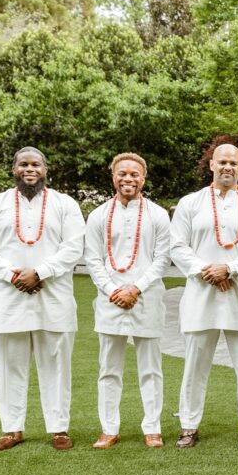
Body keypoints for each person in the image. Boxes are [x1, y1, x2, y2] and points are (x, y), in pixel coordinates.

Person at [0, 147, 85, 451]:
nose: (30, 169)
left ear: (46, 170)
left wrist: (41, 272)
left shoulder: (64, 204)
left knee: (56, 365)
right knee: (10, 366)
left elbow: (74, 247)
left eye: (36, 164)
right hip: (8, 298)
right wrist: (14, 275)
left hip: (54, 297)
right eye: (24, 164)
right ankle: (12, 428)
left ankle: (59, 428)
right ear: (14, 170)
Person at [170, 143, 238, 448]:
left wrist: (231, 269)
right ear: (211, 164)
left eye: (233, 163)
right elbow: (177, 247)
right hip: (202, 296)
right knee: (195, 364)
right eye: (222, 161)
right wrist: (207, 270)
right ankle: (189, 425)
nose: (227, 167)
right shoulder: (190, 203)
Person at [84, 153, 171, 449]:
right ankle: (109, 428)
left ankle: (152, 427)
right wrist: (113, 290)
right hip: (110, 301)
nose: (128, 179)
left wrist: (136, 288)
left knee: (150, 368)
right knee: (108, 368)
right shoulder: (97, 215)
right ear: (113, 177)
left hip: (146, 299)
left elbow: (161, 259)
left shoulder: (158, 215)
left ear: (143, 178)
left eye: (134, 174)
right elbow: (93, 260)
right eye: (122, 173)